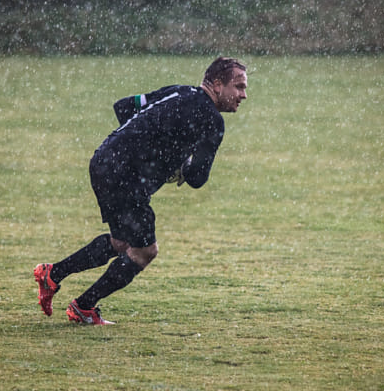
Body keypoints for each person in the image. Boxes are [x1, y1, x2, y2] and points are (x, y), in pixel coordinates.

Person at [34, 57, 248, 325]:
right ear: (217, 85)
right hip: (126, 178)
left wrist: (142, 146)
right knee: (145, 251)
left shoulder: (178, 91)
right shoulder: (212, 120)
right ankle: (83, 307)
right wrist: (171, 161)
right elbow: (197, 178)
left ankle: (53, 274)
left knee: (123, 242)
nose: (243, 95)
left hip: (103, 161)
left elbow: (123, 107)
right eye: (239, 87)